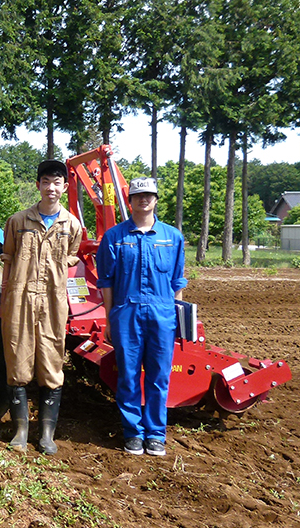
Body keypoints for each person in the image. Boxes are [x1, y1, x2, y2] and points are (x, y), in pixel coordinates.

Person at [97, 177, 187, 457]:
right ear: (130, 201)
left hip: (162, 314)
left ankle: (156, 434)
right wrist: (111, 319)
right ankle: (133, 432)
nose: (143, 200)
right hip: (127, 312)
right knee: (129, 375)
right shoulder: (115, 237)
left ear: (156, 199)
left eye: (148, 195)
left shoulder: (172, 237)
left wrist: (178, 320)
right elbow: (106, 282)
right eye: (138, 196)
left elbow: (178, 282)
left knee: (160, 376)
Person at [0, 160, 83, 455]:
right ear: (38, 185)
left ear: (65, 187)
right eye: (46, 181)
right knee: (18, 364)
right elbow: (8, 262)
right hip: (20, 300)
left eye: (57, 182)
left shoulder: (72, 225)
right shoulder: (17, 221)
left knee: (51, 365)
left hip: (52, 303)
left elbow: (71, 263)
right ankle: (21, 430)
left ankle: (46, 433)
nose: (51, 187)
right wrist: (6, 302)